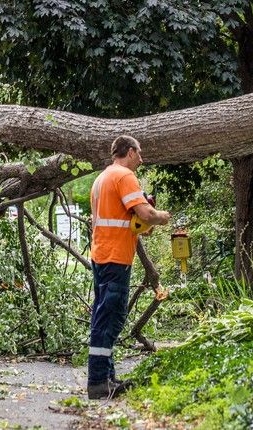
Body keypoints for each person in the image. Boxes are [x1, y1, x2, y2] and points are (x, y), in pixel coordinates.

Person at [87, 135, 171, 400]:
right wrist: (161, 218)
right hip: (116, 257)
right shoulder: (124, 176)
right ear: (130, 151)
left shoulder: (102, 178)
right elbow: (145, 214)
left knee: (102, 316)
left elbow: (126, 220)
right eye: (140, 153)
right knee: (111, 317)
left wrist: (141, 226)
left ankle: (106, 376)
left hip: (101, 254)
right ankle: (99, 382)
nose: (142, 159)